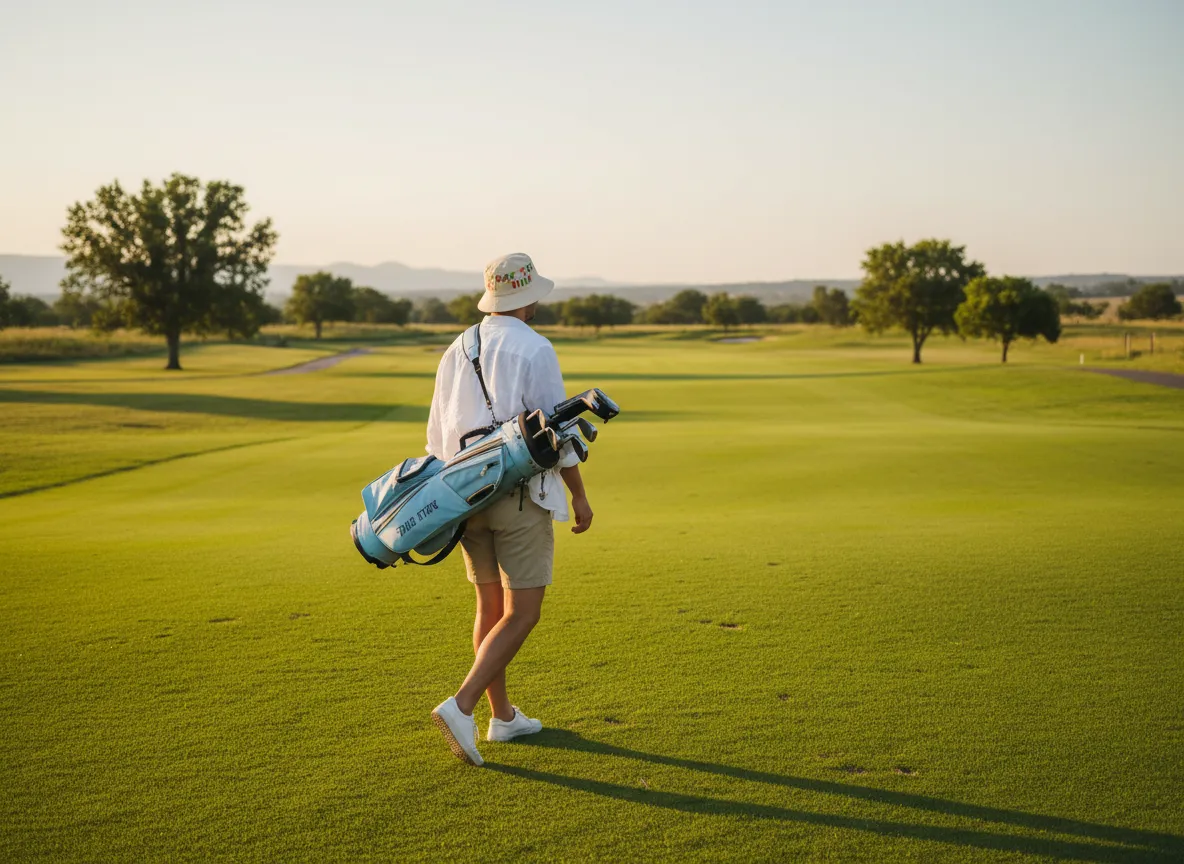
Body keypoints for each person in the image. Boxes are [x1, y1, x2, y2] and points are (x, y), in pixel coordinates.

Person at [427, 252, 593, 767]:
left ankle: (502, 718)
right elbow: (557, 433)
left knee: (489, 609)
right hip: (519, 495)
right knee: (524, 611)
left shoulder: (458, 346)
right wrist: (579, 495)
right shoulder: (536, 347)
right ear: (529, 299)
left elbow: (437, 434)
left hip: (463, 492)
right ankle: (462, 704)